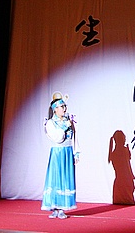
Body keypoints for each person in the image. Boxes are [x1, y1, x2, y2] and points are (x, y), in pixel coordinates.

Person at [41, 91, 80, 219]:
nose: (64, 109)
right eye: (61, 107)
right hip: (57, 152)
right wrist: (65, 126)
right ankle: (54, 207)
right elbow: (58, 138)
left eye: (64, 106)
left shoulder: (69, 121)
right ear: (55, 109)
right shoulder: (50, 123)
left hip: (67, 152)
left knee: (65, 178)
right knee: (56, 178)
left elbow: (74, 137)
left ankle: (62, 208)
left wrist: (76, 152)